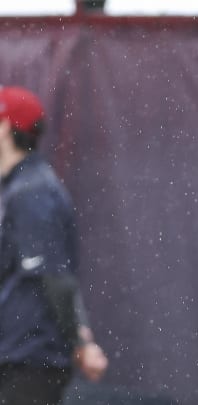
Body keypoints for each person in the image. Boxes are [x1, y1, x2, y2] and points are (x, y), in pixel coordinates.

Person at [0, 86, 109, 404]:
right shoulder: (19, 188)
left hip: (30, 361)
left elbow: (56, 277)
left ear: (6, 128)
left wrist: (78, 340)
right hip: (20, 357)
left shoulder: (32, 192)